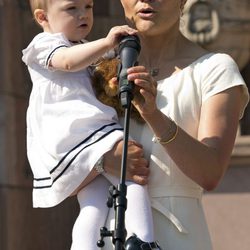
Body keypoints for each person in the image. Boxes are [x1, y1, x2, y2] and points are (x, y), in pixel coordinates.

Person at [100, 0, 250, 249]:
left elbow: (210, 173)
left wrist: (152, 114)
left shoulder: (215, 69)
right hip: (108, 233)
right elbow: (56, 167)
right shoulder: (99, 69)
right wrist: (101, 162)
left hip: (178, 236)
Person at [22, 0, 160, 249]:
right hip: (77, 132)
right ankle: (143, 239)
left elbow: (95, 67)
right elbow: (67, 61)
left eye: (88, 7)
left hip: (85, 134)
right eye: (71, 9)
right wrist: (108, 43)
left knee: (94, 202)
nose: (83, 15)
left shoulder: (84, 47)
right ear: (43, 17)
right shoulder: (44, 44)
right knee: (130, 176)